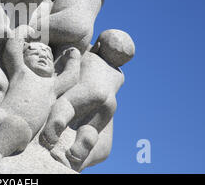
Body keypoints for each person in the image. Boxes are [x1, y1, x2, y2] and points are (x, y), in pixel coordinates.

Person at [0, 25, 81, 162]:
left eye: (48, 57)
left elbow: (71, 77)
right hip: (3, 113)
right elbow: (12, 51)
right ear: (24, 58)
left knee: (16, 124)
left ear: (53, 67)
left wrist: (73, 59)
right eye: (35, 54)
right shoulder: (21, 71)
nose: (42, 57)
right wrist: (22, 31)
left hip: (24, 129)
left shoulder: (53, 85)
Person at [39, 29, 135, 171]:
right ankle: (81, 146)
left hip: (89, 90)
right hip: (109, 103)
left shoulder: (89, 56)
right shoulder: (120, 75)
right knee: (91, 128)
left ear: (98, 46)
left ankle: (56, 125)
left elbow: (83, 48)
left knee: (67, 104)